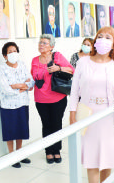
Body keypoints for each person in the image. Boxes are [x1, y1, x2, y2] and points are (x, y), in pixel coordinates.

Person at [69, 27, 114, 183]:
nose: (103, 40)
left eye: (108, 38)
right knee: (92, 160)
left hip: (109, 115)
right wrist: (72, 115)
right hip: (88, 115)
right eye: (100, 36)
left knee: (107, 159)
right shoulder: (83, 62)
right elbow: (74, 91)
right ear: (95, 41)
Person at [31, 34, 74, 164]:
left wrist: (58, 68)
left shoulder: (57, 56)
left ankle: (57, 150)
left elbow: (71, 70)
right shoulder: (34, 60)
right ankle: (48, 151)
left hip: (57, 98)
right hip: (40, 99)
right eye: (40, 42)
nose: (41, 45)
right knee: (46, 125)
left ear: (51, 46)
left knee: (56, 124)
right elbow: (33, 77)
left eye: (44, 43)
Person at [0, 42, 35, 168]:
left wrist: (17, 86)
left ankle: (20, 154)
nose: (13, 53)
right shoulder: (2, 68)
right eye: (10, 52)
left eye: (15, 51)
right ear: (5, 55)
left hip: (23, 103)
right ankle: (12, 156)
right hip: (8, 105)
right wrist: (21, 86)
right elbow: (5, 88)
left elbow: (31, 82)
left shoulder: (23, 65)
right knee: (10, 131)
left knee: (21, 129)